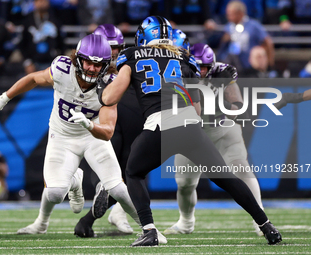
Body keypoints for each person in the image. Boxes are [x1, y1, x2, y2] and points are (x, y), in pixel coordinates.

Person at [99, 15, 282, 246]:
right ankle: (267, 226)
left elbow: (111, 97)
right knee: (226, 177)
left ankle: (149, 230)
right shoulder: (184, 58)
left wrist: (102, 91)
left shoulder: (132, 55)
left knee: (133, 173)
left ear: (144, 36)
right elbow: (196, 107)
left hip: (159, 123)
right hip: (190, 124)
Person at [0, 34, 142, 236]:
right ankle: (46, 217)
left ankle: (149, 228)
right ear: (78, 58)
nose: (92, 68)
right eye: (88, 62)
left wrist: (88, 124)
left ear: (106, 65)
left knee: (118, 189)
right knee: (54, 193)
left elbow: (107, 132)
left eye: (98, 64)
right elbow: (34, 78)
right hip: (61, 136)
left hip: (92, 137)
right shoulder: (62, 69)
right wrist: (5, 97)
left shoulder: (110, 83)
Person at [163, 43, 265, 236]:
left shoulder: (223, 73)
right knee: (184, 184)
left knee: (242, 169)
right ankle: (186, 223)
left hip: (222, 130)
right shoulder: (176, 72)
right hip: (192, 134)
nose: (201, 72)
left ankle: (260, 220)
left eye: (205, 67)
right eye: (197, 66)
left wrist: (227, 105)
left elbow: (237, 107)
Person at [74, 24, 144, 237]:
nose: (114, 52)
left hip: (124, 116)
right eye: (109, 47)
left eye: (118, 47)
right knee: (111, 169)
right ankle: (102, 200)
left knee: (128, 171)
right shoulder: (88, 66)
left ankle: (95, 219)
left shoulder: (127, 63)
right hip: (98, 121)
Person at [218, 0, 275, 74]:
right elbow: (222, 48)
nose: (228, 17)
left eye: (231, 14)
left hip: (249, 67)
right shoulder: (228, 27)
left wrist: (270, 64)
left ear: (240, 13)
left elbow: (268, 42)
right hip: (231, 66)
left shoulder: (253, 25)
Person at [19, 0, 65, 74]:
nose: (42, 3)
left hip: (51, 62)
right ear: (34, 3)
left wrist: (58, 63)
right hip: (33, 62)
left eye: (44, 1)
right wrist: (27, 62)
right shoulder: (27, 20)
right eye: (39, 1)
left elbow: (61, 43)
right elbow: (22, 43)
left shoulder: (55, 19)